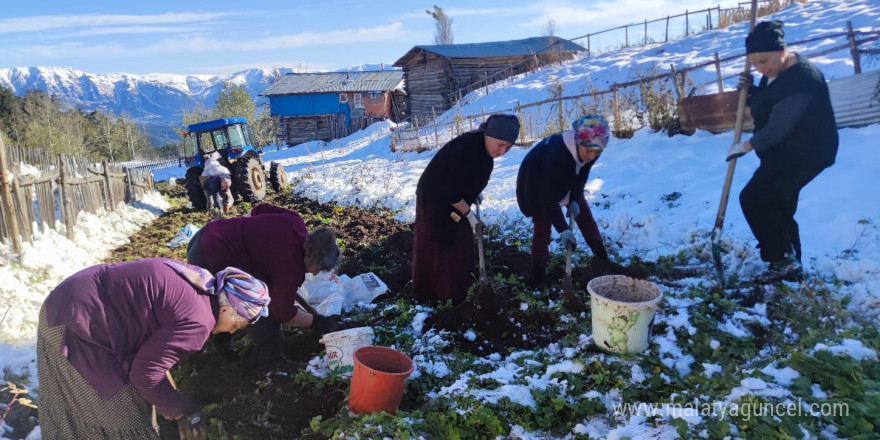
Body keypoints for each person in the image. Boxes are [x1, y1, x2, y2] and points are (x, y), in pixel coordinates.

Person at [37, 258, 270, 440]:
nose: (232, 331)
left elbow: (153, 351)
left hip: (71, 301)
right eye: (238, 325)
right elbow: (145, 373)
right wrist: (183, 411)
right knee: (124, 416)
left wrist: (170, 399)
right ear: (228, 310)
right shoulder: (199, 322)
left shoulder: (201, 281)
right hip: (76, 325)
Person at [727, 20, 838, 281]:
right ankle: (790, 262)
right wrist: (751, 91)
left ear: (782, 51)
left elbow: (779, 126)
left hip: (806, 152)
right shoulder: (774, 74)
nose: (759, 68)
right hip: (785, 150)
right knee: (777, 204)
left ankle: (781, 258)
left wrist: (744, 146)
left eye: (763, 61)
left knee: (755, 198)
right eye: (753, 63)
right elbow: (768, 103)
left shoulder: (802, 79)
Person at [186, 203, 340, 363]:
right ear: (311, 260)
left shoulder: (295, 222)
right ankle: (270, 356)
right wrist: (316, 322)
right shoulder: (291, 269)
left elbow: (259, 209)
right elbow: (283, 314)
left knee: (255, 289)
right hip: (210, 258)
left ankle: (223, 336)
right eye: (319, 269)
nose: (315, 274)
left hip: (208, 233)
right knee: (258, 304)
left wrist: (252, 241)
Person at [412, 113, 520, 304]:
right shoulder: (467, 148)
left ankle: (458, 290)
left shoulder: (485, 152)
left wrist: (473, 193)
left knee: (460, 243)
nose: (503, 151)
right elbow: (451, 190)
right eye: (500, 145)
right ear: (489, 134)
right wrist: (469, 215)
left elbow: (469, 178)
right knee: (438, 242)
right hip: (434, 197)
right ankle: (430, 293)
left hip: (454, 198)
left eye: (508, 147)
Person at [516, 115, 613, 282]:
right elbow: (547, 198)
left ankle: (603, 259)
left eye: (597, 152)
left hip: (563, 182)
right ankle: (537, 273)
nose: (592, 156)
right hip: (535, 188)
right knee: (542, 228)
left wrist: (575, 199)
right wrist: (563, 230)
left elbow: (582, 174)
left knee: (585, 216)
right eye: (589, 151)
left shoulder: (592, 147)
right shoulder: (556, 155)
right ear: (577, 142)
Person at [202, 152, 233, 217]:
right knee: (210, 201)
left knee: (227, 195)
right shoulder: (214, 185)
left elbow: (226, 180)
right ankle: (211, 212)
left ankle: (225, 209)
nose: (224, 188)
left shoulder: (225, 176)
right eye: (224, 187)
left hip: (218, 181)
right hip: (207, 187)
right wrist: (219, 209)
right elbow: (216, 198)